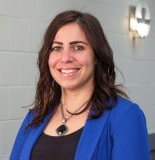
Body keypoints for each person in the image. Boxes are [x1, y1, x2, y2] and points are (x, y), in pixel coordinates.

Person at [10, 10, 150, 160]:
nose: (65, 58)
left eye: (78, 47)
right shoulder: (35, 117)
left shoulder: (124, 116)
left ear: (96, 56)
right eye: (56, 48)